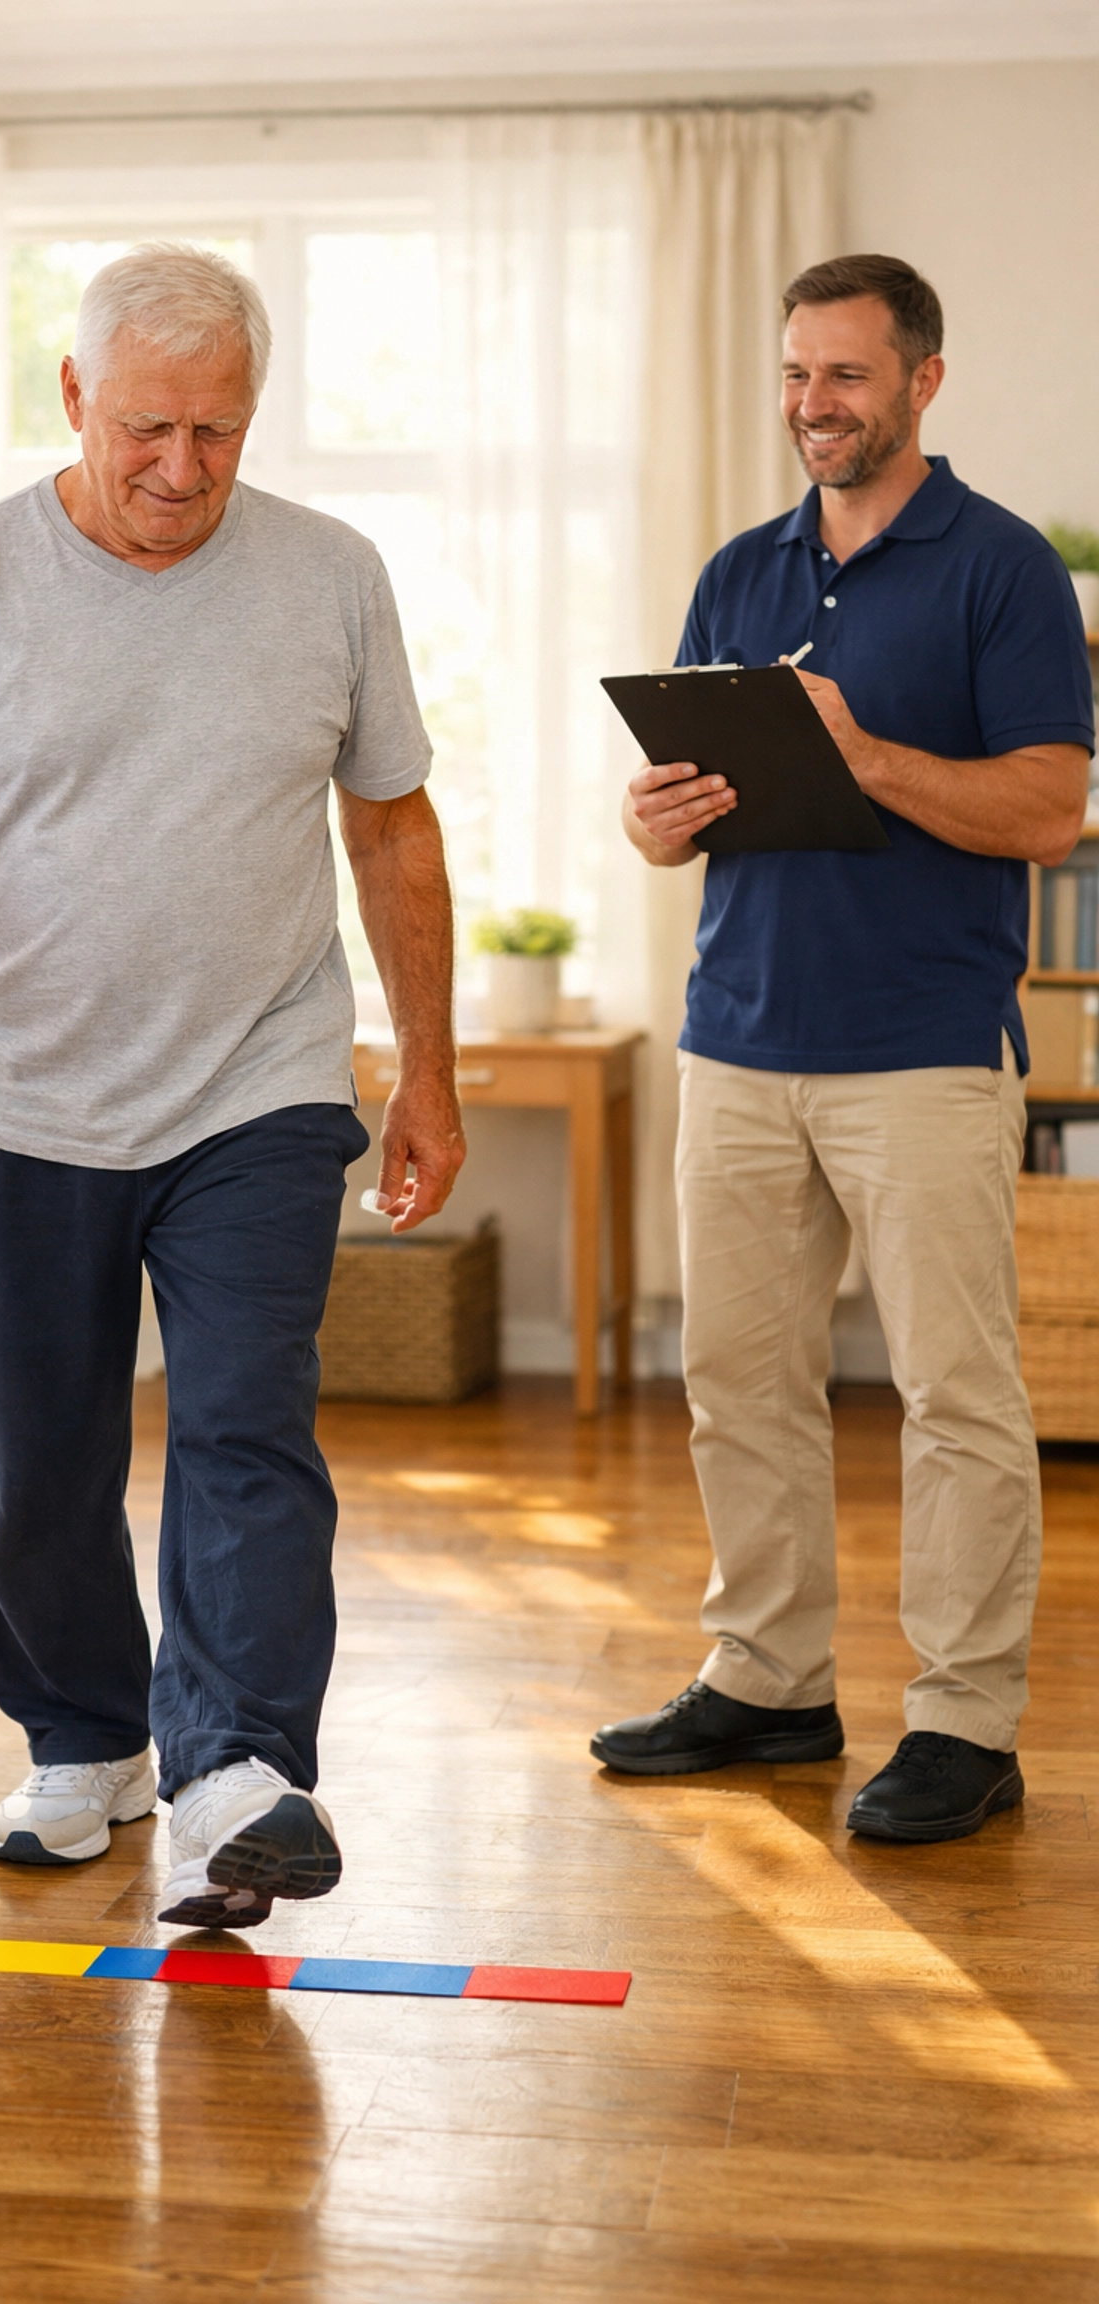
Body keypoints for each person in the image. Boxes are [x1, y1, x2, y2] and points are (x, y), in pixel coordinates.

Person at [0, 242, 465, 1927]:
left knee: (248, 1424)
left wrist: (430, 1074)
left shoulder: (331, 575)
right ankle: (83, 1741)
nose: (184, 470)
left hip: (261, 1077)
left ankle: (235, 1765)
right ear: (76, 397)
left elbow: (392, 828)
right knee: (34, 1459)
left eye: (221, 434)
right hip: (14, 1094)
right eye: (150, 428)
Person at [595, 253, 1093, 1843]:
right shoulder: (741, 570)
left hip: (924, 1048)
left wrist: (867, 755)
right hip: (738, 1036)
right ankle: (769, 1681)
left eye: (849, 376)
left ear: (923, 380)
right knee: (738, 1377)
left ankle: (964, 1720)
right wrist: (652, 821)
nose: (817, 405)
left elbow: (1049, 807)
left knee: (954, 1393)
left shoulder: (1002, 571)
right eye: (799, 374)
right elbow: (684, 806)